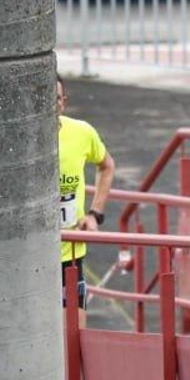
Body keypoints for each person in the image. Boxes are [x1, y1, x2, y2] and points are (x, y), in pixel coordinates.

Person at [56, 77, 116, 321]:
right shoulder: (17, 139)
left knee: (74, 335)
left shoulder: (81, 132)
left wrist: (94, 214)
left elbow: (107, 165)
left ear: (64, 102)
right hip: (28, 257)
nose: (51, 105)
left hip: (69, 254)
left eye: (56, 99)